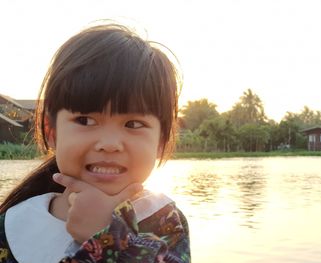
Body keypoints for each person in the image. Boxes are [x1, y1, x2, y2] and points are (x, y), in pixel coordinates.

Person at [0, 22, 190, 263]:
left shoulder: (163, 220)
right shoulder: (13, 224)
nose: (109, 144)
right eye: (85, 120)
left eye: (133, 124)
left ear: (161, 140)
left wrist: (106, 240)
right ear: (52, 132)